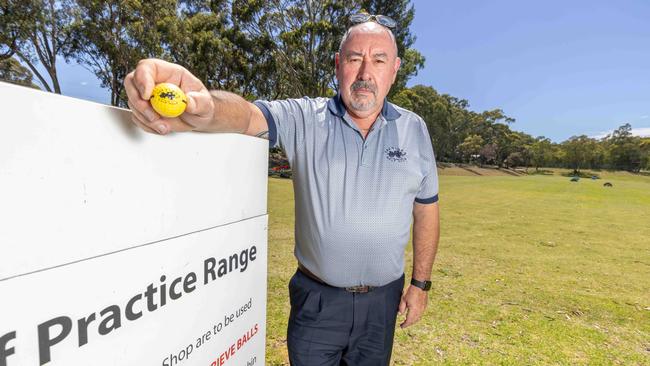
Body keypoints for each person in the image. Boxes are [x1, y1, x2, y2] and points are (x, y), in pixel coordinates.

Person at [125, 14, 440, 366]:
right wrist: (205, 104)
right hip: (318, 303)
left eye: (379, 60)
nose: (366, 73)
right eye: (354, 59)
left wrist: (420, 284)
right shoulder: (305, 118)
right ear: (338, 65)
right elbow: (245, 116)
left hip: (381, 306)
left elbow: (426, 206)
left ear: (394, 69)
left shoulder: (415, 129)